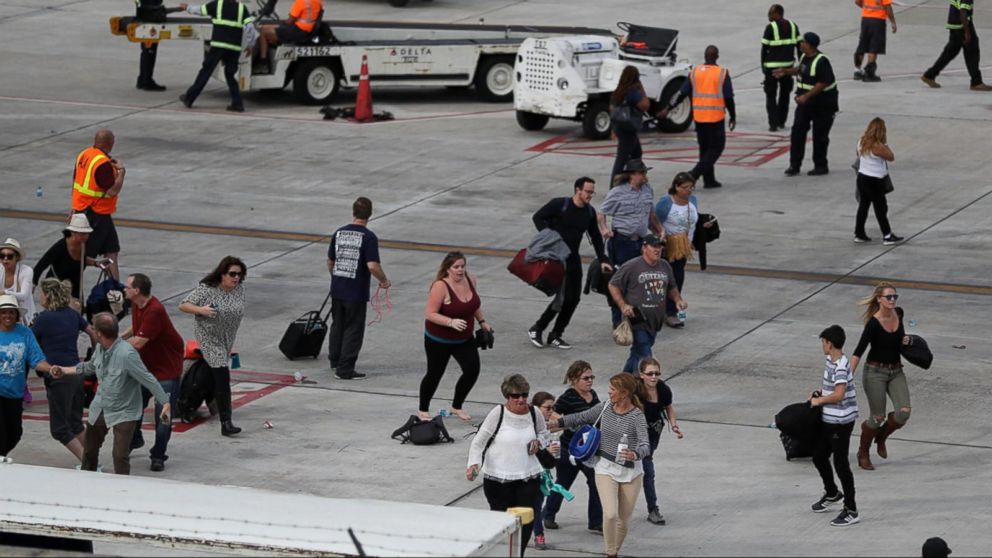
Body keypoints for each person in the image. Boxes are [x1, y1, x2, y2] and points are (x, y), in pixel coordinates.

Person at [55, 313, 171, 475]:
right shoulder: (100, 349)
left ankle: (120, 490)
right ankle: (87, 482)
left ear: (99, 334)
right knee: (89, 452)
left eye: (94, 330)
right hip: (101, 407)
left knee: (120, 456)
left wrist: (165, 402)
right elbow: (90, 367)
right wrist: (65, 370)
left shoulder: (127, 354)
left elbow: (148, 379)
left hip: (125, 411)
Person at [550, 373, 650, 558]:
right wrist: (556, 423)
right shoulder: (605, 407)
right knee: (611, 514)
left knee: (623, 520)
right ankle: (610, 553)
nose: (609, 392)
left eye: (613, 389)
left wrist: (635, 453)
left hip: (631, 472)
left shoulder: (637, 415)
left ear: (624, 393)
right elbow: (581, 417)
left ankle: (615, 551)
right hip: (605, 468)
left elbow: (645, 444)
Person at [467, 374, 549, 557]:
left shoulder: (535, 413)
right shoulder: (498, 413)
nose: (521, 399)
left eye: (524, 395)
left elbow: (544, 433)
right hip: (498, 480)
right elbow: (479, 442)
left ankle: (517, 554)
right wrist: (473, 464)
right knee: (501, 522)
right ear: (507, 396)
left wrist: (539, 442)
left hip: (529, 477)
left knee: (526, 521)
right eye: (515, 396)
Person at [527, 177, 610, 350]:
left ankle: (556, 334)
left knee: (574, 299)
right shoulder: (560, 204)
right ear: (578, 190)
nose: (590, 195)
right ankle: (538, 328)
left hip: (573, 259)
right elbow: (538, 217)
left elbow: (595, 237)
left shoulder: (589, 212)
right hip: (557, 259)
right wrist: (550, 237)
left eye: (592, 192)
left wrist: (603, 259)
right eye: (587, 191)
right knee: (562, 298)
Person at [178, 256, 247, 436]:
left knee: (209, 374)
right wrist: (201, 310)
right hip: (209, 338)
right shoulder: (207, 289)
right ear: (222, 274)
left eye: (240, 274)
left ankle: (188, 403)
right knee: (223, 377)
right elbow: (183, 305)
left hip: (226, 339)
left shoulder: (239, 289)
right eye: (232, 274)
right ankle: (226, 422)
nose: (236, 278)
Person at [121, 273, 183, 472]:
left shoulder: (155, 310)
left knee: (162, 416)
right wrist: (118, 337)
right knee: (134, 405)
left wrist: (113, 348)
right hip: (147, 369)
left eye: (127, 286)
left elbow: (138, 342)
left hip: (165, 371)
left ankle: (158, 454)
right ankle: (135, 438)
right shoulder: (137, 304)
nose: (124, 289)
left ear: (136, 290)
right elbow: (137, 328)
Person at [419, 252, 491, 421]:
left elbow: (473, 305)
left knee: (472, 370)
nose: (460, 270)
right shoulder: (440, 286)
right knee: (434, 374)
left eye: (462, 266)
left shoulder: (470, 280)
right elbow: (430, 314)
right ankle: (423, 409)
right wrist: (450, 322)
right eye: (456, 267)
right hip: (439, 340)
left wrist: (482, 321)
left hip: (464, 339)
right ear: (447, 269)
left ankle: (456, 406)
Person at [31, 279, 96, 462]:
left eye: (42, 294)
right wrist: (94, 357)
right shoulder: (72, 315)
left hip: (58, 375)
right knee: (76, 423)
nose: (40, 298)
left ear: (48, 295)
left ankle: (88, 463)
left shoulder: (43, 319)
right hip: (76, 374)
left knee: (59, 429)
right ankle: (93, 458)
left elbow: (31, 344)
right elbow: (92, 332)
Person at [850, 282, 911, 471]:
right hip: (875, 373)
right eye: (889, 297)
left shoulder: (899, 314)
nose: (893, 300)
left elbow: (899, 338)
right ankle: (863, 452)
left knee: (903, 412)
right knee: (877, 417)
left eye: (895, 296)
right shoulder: (873, 325)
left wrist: (906, 340)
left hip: (896, 371)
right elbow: (858, 352)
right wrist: (846, 377)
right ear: (879, 299)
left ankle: (881, 437)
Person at [327, 197, 390, 380]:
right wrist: (384, 280)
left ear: (353, 212)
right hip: (355, 291)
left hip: (338, 287)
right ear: (369, 214)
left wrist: (336, 277)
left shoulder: (339, 233)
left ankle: (335, 360)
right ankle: (345, 369)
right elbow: (372, 265)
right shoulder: (368, 237)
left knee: (338, 325)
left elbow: (330, 261)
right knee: (354, 329)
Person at [597, 159, 665, 327]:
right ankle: (617, 320)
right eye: (642, 173)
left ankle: (636, 318)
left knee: (640, 281)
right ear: (632, 175)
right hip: (622, 242)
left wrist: (659, 229)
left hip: (641, 242)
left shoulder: (648, 190)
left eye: (645, 172)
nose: (645, 176)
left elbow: (651, 215)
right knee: (619, 281)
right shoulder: (617, 192)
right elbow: (601, 214)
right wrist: (604, 229)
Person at [659, 45, 736, 189]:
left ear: (705, 56)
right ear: (717, 56)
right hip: (715, 118)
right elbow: (729, 97)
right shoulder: (722, 73)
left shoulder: (695, 72)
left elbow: (681, 93)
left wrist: (668, 108)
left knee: (705, 149)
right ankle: (693, 174)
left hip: (700, 118)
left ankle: (709, 180)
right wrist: (733, 116)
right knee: (716, 148)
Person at [608, 234, 688, 373]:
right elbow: (613, 285)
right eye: (654, 246)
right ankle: (649, 379)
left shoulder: (665, 265)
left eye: (660, 247)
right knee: (645, 352)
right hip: (637, 318)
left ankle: (624, 380)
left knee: (637, 352)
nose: (658, 250)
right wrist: (623, 305)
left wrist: (678, 300)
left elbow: (671, 287)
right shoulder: (632, 266)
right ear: (644, 248)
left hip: (655, 320)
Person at [808, 325, 860, 527]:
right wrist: (818, 393)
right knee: (819, 455)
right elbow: (830, 388)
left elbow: (838, 394)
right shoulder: (831, 361)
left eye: (823, 342)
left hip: (841, 422)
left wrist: (818, 402)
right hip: (829, 420)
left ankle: (851, 509)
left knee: (841, 465)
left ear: (829, 343)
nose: (822, 345)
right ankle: (831, 493)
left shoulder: (841, 366)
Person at [542, 361, 603, 534]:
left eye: (591, 377)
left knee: (595, 482)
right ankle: (548, 514)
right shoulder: (568, 396)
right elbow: (553, 412)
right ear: (574, 379)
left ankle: (596, 521)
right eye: (585, 378)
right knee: (563, 483)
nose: (590, 381)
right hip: (568, 449)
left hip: (588, 451)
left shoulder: (593, 395)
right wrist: (569, 423)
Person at [0, 295, 58, 457]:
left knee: (15, 434)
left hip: (15, 393)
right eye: (4, 312)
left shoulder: (24, 333)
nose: (7, 316)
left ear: (17, 315)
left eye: (11, 312)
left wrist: (50, 368)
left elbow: (36, 359)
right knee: (1, 435)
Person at [776, 32, 839, 177]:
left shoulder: (822, 61)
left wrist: (806, 96)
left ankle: (821, 166)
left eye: (803, 42)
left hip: (823, 104)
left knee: (820, 136)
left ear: (810, 45)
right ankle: (794, 165)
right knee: (797, 132)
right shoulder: (805, 57)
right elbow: (800, 69)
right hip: (806, 104)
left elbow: (823, 82)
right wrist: (786, 71)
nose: (800, 44)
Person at [654, 172, 709, 329]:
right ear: (676, 187)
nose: (689, 190)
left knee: (677, 278)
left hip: (684, 246)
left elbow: (692, 218)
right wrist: (662, 238)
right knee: (667, 280)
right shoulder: (666, 203)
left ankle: (670, 311)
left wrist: (703, 225)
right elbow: (654, 222)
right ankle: (664, 311)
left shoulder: (692, 200)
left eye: (691, 187)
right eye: (685, 187)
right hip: (668, 248)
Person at [70, 129, 125, 280]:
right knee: (84, 256)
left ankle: (115, 288)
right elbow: (113, 191)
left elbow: (76, 181)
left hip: (86, 210)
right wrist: (121, 172)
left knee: (112, 250)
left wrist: (73, 207)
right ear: (110, 143)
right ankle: (70, 285)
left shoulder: (84, 154)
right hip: (95, 215)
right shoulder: (103, 164)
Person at [179, 0, 253, 112]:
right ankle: (237, 104)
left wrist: (187, 7)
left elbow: (200, 10)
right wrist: (250, 45)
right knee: (230, 75)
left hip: (218, 45)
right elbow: (250, 28)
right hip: (234, 48)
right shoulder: (242, 8)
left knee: (206, 71)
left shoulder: (217, 4)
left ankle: (189, 98)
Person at [637, 357, 682, 526]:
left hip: (652, 435)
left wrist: (674, 424)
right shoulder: (635, 390)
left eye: (656, 373)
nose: (654, 377)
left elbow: (668, 407)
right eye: (650, 374)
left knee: (648, 472)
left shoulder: (663, 389)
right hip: (634, 436)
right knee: (637, 473)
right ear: (642, 375)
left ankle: (653, 509)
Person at [921, 0, 992, 90]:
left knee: (950, 52)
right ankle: (976, 82)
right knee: (972, 51)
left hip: (954, 23)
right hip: (961, 25)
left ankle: (929, 75)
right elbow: (963, 11)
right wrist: (967, 32)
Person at [854, 118, 904, 245]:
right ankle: (887, 235)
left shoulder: (861, 141)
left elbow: (858, 155)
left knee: (863, 206)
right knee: (881, 207)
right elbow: (891, 157)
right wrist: (885, 144)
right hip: (874, 181)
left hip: (862, 178)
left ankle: (859, 233)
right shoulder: (877, 146)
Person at [32, 213, 95, 302]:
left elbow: (79, 261)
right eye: (83, 233)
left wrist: (95, 262)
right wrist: (33, 285)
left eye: (87, 233)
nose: (86, 236)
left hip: (75, 289)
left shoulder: (83, 244)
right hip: (56, 288)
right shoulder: (60, 247)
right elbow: (40, 266)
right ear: (73, 232)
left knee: (77, 312)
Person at [761, 4, 801, 131]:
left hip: (772, 68)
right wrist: (801, 64)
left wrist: (763, 66)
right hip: (788, 67)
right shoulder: (793, 26)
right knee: (785, 95)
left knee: (770, 95)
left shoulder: (770, 27)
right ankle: (781, 121)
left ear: (777, 13)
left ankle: (773, 124)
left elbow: (764, 49)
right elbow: (799, 47)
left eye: (770, 13)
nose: (768, 16)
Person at [135, 1, 190, 91]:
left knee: (146, 51)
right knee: (149, 52)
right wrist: (178, 9)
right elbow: (157, 11)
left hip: (145, 20)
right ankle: (147, 81)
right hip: (151, 22)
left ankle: (142, 79)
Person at [610, 66, 652, 182]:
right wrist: (642, 89)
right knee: (622, 158)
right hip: (629, 128)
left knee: (636, 152)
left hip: (620, 126)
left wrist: (613, 129)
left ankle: (632, 176)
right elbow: (645, 105)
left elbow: (612, 109)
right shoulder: (632, 91)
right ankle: (614, 186)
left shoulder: (619, 90)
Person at [257, 0, 323, 72]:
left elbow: (289, 21)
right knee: (273, 29)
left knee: (263, 30)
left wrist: (281, 24)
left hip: (298, 31)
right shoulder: (317, 1)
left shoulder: (301, 2)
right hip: (307, 30)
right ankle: (273, 45)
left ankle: (263, 64)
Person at [530, 391, 558, 551]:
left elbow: (549, 463)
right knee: (532, 505)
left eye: (552, 408)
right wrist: (544, 450)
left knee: (537, 504)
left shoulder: (546, 429)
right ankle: (537, 534)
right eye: (548, 408)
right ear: (536, 408)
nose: (550, 411)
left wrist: (550, 453)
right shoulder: (528, 427)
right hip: (526, 472)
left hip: (541, 474)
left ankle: (538, 534)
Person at [853, 0, 896, 82]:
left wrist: (868, 9)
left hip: (865, 19)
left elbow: (857, 2)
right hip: (878, 20)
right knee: (874, 46)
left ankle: (857, 70)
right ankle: (869, 73)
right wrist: (893, 22)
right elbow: (887, 6)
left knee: (862, 44)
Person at [0, 238, 36, 325]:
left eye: (9, 256)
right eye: (2, 256)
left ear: (17, 257)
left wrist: (4, 292)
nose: (5, 259)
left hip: (25, 318)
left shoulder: (26, 271)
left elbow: (24, 295)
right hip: (4, 316)